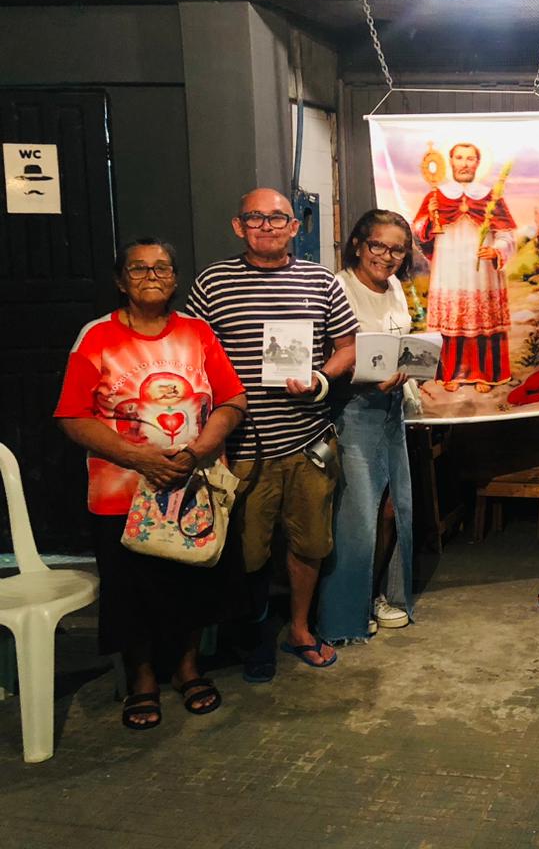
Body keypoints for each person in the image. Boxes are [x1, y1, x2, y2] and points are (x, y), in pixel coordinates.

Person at [55, 238, 249, 730]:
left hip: (193, 489)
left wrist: (197, 451)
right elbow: (73, 416)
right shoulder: (97, 336)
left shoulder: (198, 333)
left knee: (193, 581)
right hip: (122, 493)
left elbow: (232, 400)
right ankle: (142, 679)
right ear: (121, 281)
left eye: (162, 268)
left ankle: (187, 668)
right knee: (131, 589)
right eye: (139, 269)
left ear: (175, 279)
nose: (151, 276)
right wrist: (139, 458)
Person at [187, 188, 358, 677]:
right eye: (255, 217)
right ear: (238, 226)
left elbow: (347, 347)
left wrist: (321, 378)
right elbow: (191, 353)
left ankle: (300, 629)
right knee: (247, 552)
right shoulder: (213, 282)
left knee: (311, 543)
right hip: (242, 446)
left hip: (309, 440)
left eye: (277, 218)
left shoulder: (320, 280)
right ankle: (256, 635)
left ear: (295, 226)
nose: (267, 226)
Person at [316, 210, 417, 645]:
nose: (387, 256)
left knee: (393, 507)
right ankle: (344, 613)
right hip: (353, 410)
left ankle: (376, 594)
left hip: (392, 408)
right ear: (358, 244)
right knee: (356, 514)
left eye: (397, 249)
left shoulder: (395, 287)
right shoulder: (339, 287)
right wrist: (369, 378)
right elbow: (333, 357)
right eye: (378, 245)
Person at [412, 142, 515, 393]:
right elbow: (419, 233)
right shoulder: (437, 195)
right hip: (449, 271)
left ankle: (484, 373)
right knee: (452, 317)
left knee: (482, 319)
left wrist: (496, 250)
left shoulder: (490, 196)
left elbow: (506, 234)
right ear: (451, 162)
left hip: (482, 273)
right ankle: (452, 373)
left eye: (470, 158)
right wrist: (429, 220)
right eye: (459, 158)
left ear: (478, 163)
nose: (465, 163)